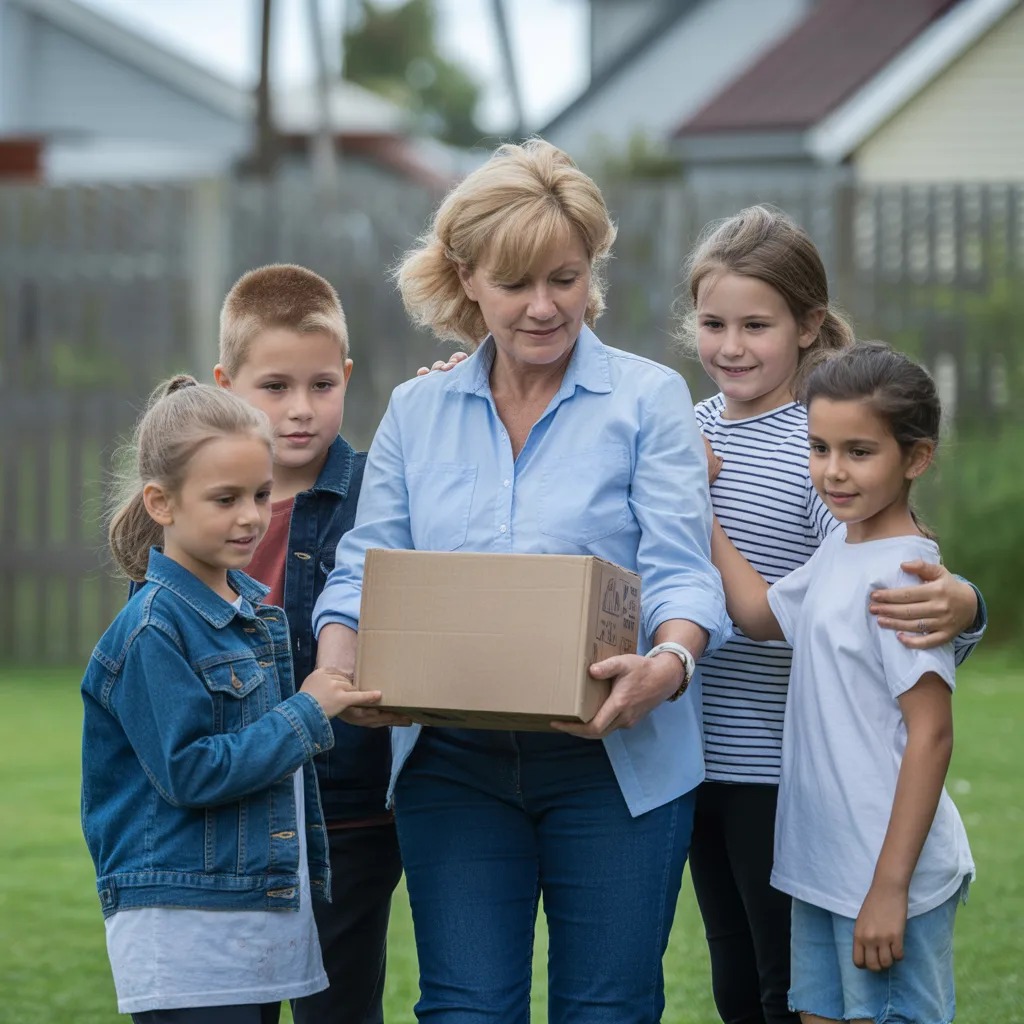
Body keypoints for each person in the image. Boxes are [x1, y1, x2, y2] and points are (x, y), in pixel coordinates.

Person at [312, 138, 731, 1023]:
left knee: (608, 1010)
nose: (545, 308)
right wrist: (334, 665)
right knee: (464, 1008)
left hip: (617, 761)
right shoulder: (417, 412)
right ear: (468, 279)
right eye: (515, 285)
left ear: (592, 273)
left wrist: (670, 665)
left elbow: (682, 574)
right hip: (451, 762)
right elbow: (364, 568)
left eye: (566, 278)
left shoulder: (647, 400)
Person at [680, 206, 986, 1024]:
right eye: (713, 323)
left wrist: (966, 604)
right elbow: (756, 608)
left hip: (787, 771)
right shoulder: (688, 431)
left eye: (756, 324)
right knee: (739, 979)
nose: (732, 345)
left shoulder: (819, 442)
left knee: (785, 987)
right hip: (693, 755)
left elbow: (896, 581)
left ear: (808, 324)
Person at [80, 377, 382, 1024]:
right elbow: (191, 770)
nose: (251, 516)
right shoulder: (153, 629)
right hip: (186, 935)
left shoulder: (245, 611)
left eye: (261, 494)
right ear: (161, 502)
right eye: (225, 499)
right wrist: (306, 710)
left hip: (246, 916)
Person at [213, 264, 403, 1024]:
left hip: (348, 814)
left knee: (338, 1008)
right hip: (229, 814)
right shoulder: (199, 509)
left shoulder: (381, 491)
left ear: (348, 377)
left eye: (322, 386)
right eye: (275, 387)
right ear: (227, 382)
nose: (301, 410)